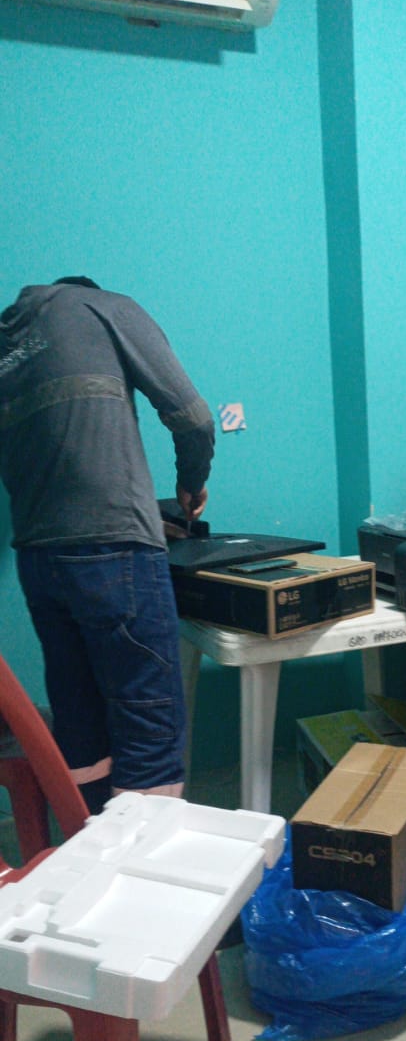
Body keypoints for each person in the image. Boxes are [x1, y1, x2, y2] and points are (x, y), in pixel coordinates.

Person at [0, 276, 215, 814]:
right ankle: (141, 857)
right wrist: (191, 482)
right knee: (147, 718)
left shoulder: (8, 341)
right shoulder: (104, 307)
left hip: (38, 556)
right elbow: (193, 419)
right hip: (114, 549)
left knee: (79, 716)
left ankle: (90, 840)